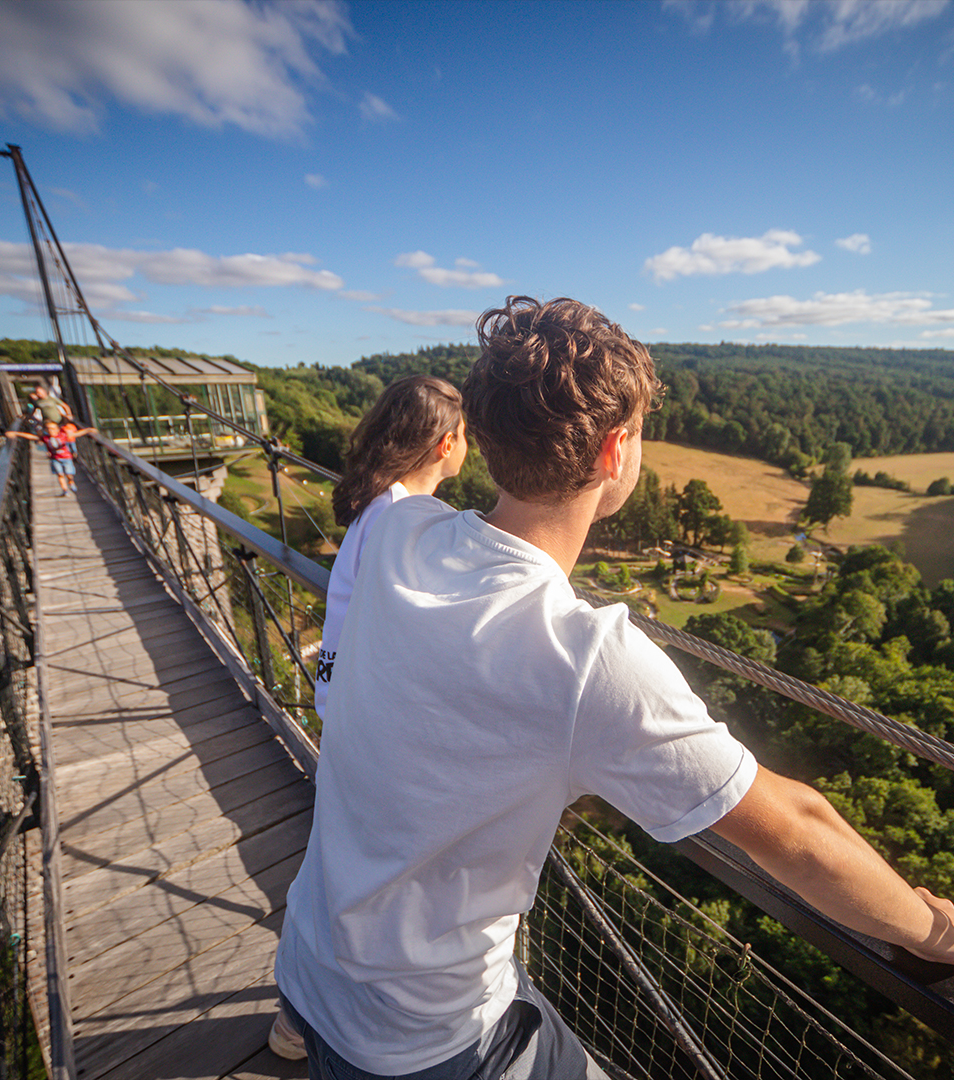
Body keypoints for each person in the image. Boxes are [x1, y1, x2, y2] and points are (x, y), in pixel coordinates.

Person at [272, 296, 954, 1079]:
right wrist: (934, 932)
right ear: (616, 451)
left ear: (484, 439)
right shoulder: (585, 657)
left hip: (310, 963)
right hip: (421, 1036)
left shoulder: (395, 532)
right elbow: (799, 831)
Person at [270, 375, 467, 1062]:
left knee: (332, 870)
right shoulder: (409, 519)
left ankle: (296, 1016)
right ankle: (326, 1020)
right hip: (376, 731)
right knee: (359, 886)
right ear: (448, 443)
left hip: (346, 712)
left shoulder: (378, 509)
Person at [314, 374, 467, 721]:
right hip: (361, 707)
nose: (466, 446)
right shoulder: (397, 514)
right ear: (446, 444)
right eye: (464, 436)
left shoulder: (383, 501)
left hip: (344, 696)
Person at [7, 419, 96, 496]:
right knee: (60, 474)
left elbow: (77, 434)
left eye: (53, 428)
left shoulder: (63, 435)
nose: (51, 430)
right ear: (45, 430)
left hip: (66, 458)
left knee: (69, 473)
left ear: (58, 429)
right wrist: (16, 433)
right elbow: (32, 437)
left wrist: (88, 430)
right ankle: (65, 490)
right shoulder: (45, 438)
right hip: (55, 459)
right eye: (48, 429)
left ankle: (70, 481)